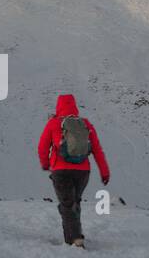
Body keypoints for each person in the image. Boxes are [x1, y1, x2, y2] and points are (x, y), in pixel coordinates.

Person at [36, 94, 110, 249]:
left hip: (61, 170)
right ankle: (73, 237)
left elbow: (42, 147)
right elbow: (97, 150)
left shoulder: (54, 123)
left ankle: (75, 239)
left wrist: (45, 164)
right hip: (83, 172)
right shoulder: (85, 124)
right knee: (74, 202)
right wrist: (104, 171)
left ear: (59, 106)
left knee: (67, 204)